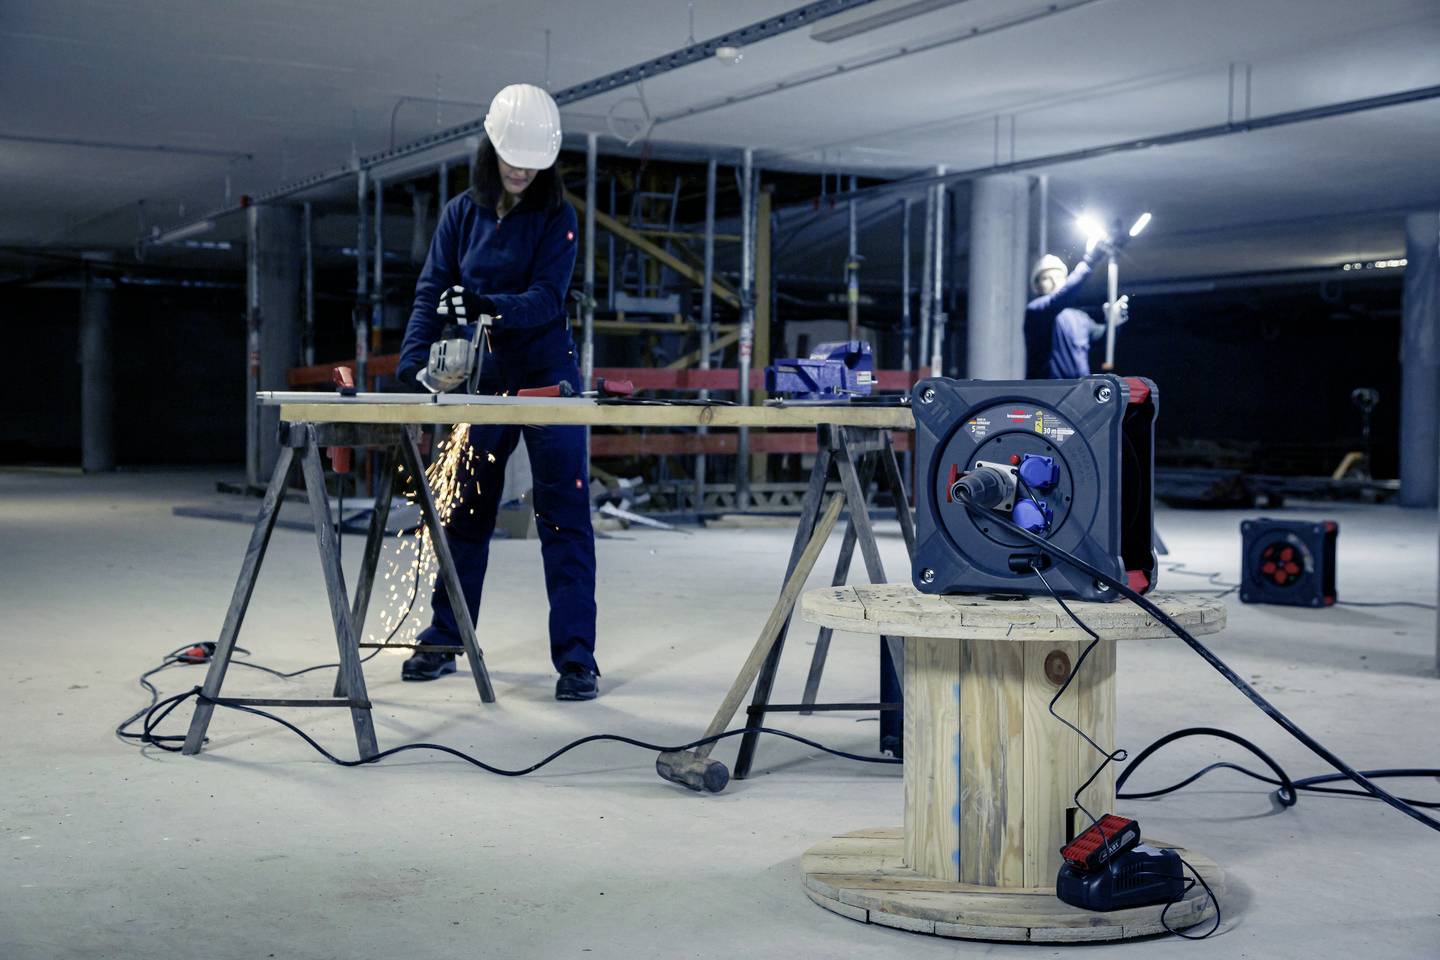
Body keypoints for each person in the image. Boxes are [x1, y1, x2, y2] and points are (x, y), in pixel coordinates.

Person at [395, 83, 599, 701]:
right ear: (491, 147)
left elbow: (546, 299)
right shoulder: (461, 213)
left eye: (532, 163)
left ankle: (577, 660)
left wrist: (488, 305)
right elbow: (432, 288)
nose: (519, 170)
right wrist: (411, 365)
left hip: (548, 376)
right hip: (485, 378)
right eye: (512, 157)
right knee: (464, 513)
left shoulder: (557, 217)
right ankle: (444, 637)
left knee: (563, 518)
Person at [1023, 247, 1128, 380]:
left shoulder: (1080, 318)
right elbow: (1059, 298)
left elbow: (1104, 339)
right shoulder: (1036, 311)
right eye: (1046, 278)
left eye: (1058, 276)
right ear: (1037, 285)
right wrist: (1089, 261)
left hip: (1079, 393)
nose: (1054, 282)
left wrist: (1114, 322)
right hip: (1046, 394)